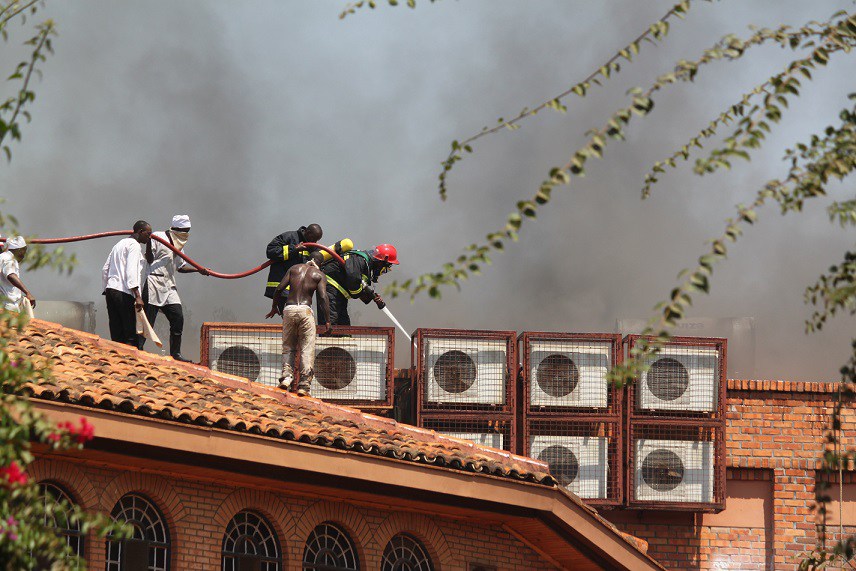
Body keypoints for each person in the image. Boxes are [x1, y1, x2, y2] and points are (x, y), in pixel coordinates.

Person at [139, 214, 209, 361]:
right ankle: (138, 349)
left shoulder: (179, 245)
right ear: (177, 229)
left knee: (178, 317)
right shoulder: (157, 237)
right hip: (153, 283)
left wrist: (198, 270)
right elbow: (149, 259)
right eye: (185, 230)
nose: (187, 234)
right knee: (148, 320)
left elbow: (181, 267)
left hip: (169, 285)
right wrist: (149, 243)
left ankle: (175, 353)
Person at [265, 250, 331, 396]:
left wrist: (274, 307)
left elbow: (279, 288)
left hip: (289, 309)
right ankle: (304, 386)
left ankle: (286, 379)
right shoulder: (319, 275)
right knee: (307, 348)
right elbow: (322, 297)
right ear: (320, 263)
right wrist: (327, 320)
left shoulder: (294, 268)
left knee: (288, 347)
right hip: (305, 310)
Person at [320, 243, 399, 325]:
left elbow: (357, 285)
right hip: (330, 288)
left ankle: (344, 336)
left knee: (344, 326)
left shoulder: (366, 264)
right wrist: (365, 294)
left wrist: (370, 296)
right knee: (330, 322)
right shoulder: (360, 260)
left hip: (338, 293)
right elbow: (353, 285)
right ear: (381, 262)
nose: (383, 271)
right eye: (386, 268)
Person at [102, 221, 152, 346]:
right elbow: (131, 271)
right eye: (148, 234)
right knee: (130, 337)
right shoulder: (134, 245)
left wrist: (106, 289)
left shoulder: (118, 244)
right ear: (140, 232)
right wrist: (138, 296)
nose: (150, 237)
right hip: (124, 293)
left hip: (111, 291)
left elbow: (105, 269)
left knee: (116, 335)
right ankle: (129, 363)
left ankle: (116, 361)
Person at [264, 224, 323, 314]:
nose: (315, 241)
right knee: (292, 315)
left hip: (298, 290)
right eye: (314, 238)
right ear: (308, 232)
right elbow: (270, 251)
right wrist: (293, 249)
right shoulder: (289, 237)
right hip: (283, 287)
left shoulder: (313, 247)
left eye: (317, 240)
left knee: (296, 317)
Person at [0, 236, 36, 312]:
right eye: (24, 250)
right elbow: (11, 275)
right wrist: (27, 293)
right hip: (8, 304)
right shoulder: (10, 259)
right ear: (19, 250)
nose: (24, 254)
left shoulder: (3, 257)